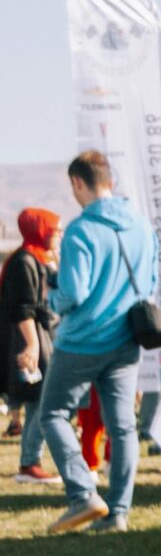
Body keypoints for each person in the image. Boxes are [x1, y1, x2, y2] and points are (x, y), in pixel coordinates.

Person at [36, 150, 158, 533]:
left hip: (82, 340)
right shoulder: (141, 226)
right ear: (111, 180)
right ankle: (118, 512)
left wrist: (51, 299)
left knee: (52, 415)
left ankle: (82, 493)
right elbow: (151, 283)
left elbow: (74, 292)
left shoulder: (80, 230)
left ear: (77, 182)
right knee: (123, 427)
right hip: (127, 339)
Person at [4, 207, 62, 483]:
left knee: (38, 400)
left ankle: (30, 461)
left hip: (37, 337)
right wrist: (32, 346)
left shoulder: (34, 259)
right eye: (55, 230)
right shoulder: (24, 262)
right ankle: (29, 462)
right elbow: (24, 308)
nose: (59, 235)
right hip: (31, 340)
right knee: (42, 399)